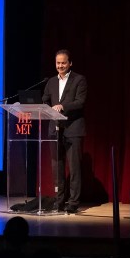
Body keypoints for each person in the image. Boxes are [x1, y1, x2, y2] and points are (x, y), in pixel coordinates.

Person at [41, 49, 87, 214]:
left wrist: (63, 106)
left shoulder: (79, 80)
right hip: (55, 130)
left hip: (73, 129)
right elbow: (45, 99)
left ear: (70, 63)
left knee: (74, 168)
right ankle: (59, 201)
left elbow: (80, 102)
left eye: (63, 63)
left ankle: (73, 202)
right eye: (57, 63)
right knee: (57, 168)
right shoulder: (51, 81)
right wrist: (43, 107)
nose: (60, 66)